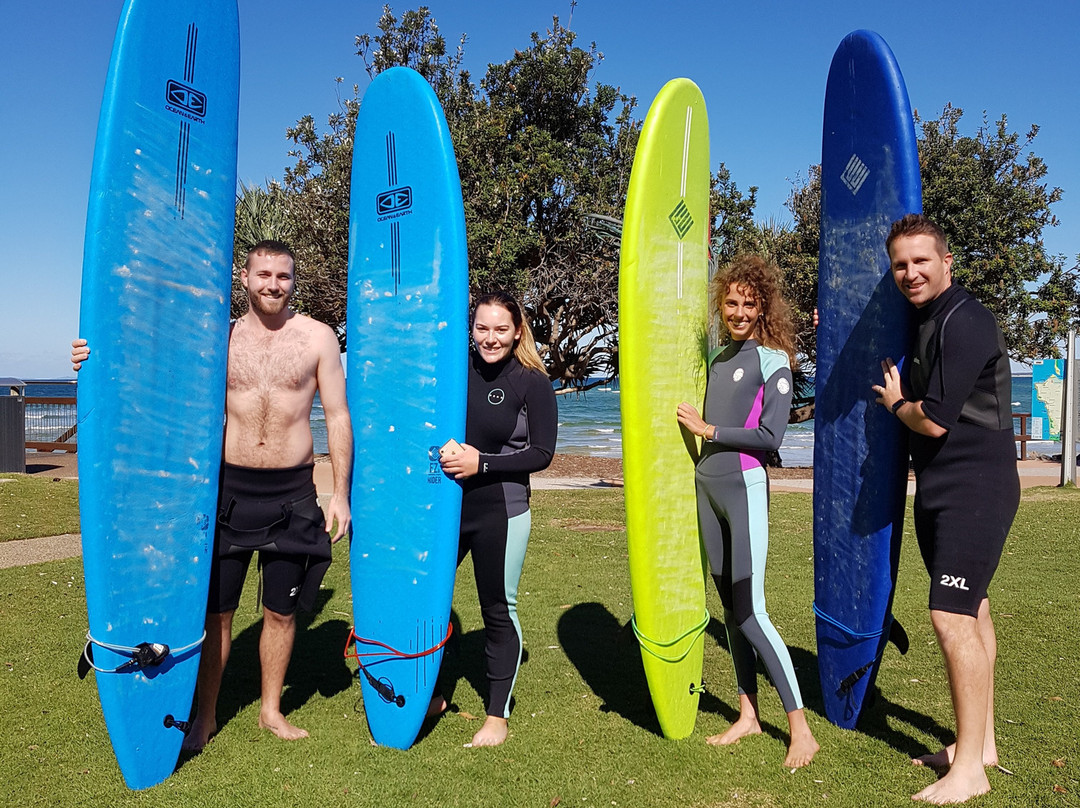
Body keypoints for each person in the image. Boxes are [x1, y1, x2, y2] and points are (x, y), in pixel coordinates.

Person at [72, 239, 352, 751]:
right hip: (228, 492)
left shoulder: (317, 338)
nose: (273, 284)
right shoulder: (215, 339)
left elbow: (337, 414)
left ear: (295, 280)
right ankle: (206, 716)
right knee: (215, 613)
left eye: (283, 276)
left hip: (292, 491)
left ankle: (270, 710)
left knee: (282, 612)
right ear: (243, 279)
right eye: (263, 274)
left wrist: (341, 494)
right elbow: (150, 373)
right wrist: (93, 355)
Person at [872, 214, 1018, 804]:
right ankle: (978, 747)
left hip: (973, 489)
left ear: (946, 260)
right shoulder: (929, 319)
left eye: (920, 261)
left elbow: (931, 417)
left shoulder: (966, 320)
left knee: (949, 617)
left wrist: (895, 403)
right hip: (942, 487)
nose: (910, 273)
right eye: (901, 264)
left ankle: (970, 775)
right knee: (973, 611)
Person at [676, 254, 820, 770]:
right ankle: (747, 714)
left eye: (749, 304)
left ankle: (800, 728)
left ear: (763, 308)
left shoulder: (773, 362)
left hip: (743, 485)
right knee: (731, 615)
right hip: (707, 487)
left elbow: (770, 437)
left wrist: (708, 431)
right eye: (731, 303)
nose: (739, 312)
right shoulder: (715, 359)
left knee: (753, 612)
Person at [432, 291, 558, 747]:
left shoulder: (532, 382)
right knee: (428, 599)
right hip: (448, 507)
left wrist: (480, 464)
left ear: (517, 330)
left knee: (497, 609)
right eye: (482, 328)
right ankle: (432, 694)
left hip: (501, 510)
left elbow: (542, 453)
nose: (490, 338)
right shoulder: (452, 369)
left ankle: (496, 717)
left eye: (500, 329)